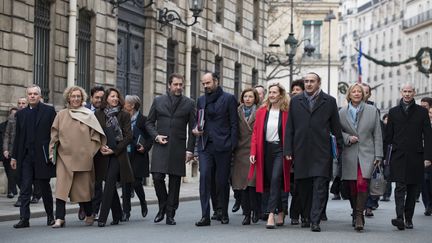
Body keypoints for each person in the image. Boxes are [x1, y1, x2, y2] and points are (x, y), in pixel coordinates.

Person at [284, 72, 343, 232]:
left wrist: (339, 147)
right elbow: (290, 127)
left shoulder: (329, 101)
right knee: (303, 185)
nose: (309, 84)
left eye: (312, 81)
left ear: (319, 83)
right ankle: (306, 215)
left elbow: (336, 127)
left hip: (322, 150)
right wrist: (288, 149)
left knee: (319, 186)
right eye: (306, 81)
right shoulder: (296, 101)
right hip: (301, 149)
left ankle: (315, 220)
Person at [49, 86, 106, 228]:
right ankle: (60, 218)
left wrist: (89, 153)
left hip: (83, 158)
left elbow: (96, 137)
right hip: (64, 156)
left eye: (78, 96)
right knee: (61, 188)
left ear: (82, 98)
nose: (75, 99)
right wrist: (52, 152)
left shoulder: (88, 114)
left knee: (83, 189)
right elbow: (54, 136)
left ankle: (88, 213)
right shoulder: (61, 115)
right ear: (68, 98)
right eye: (73, 96)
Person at [146, 73, 196, 225]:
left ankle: (170, 213)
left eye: (181, 84)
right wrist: (156, 136)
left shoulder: (189, 103)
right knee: (157, 177)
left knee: (175, 181)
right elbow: (149, 123)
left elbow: (193, 129)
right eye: (176, 84)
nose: (179, 87)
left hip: (178, 147)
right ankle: (163, 206)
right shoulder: (158, 101)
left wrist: (190, 150)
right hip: (161, 145)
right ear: (169, 85)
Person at [193, 72, 238, 226]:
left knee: (221, 181)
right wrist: (195, 129)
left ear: (216, 81)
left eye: (208, 83)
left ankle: (223, 212)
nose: (205, 86)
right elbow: (198, 121)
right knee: (204, 177)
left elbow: (234, 124)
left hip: (223, 146)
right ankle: (205, 216)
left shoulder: (229, 98)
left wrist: (232, 146)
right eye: (203, 83)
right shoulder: (201, 100)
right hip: (205, 145)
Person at [385, 83, 432, 230]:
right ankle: (399, 217)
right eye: (404, 91)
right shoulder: (393, 112)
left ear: (414, 92)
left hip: (416, 156)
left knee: (412, 188)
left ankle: (408, 218)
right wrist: (385, 156)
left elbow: (428, 136)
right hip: (398, 155)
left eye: (410, 91)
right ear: (401, 92)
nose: (407, 94)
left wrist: (428, 157)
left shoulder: (421, 112)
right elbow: (388, 137)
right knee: (399, 187)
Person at [11, 85, 57, 228]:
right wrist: (14, 157)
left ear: (39, 95)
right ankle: (24, 219)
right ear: (27, 96)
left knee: (45, 188)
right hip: (26, 157)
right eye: (30, 94)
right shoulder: (21, 114)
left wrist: (52, 153)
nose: (32, 96)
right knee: (25, 188)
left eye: (35, 94)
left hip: (42, 157)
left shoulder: (49, 111)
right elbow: (18, 137)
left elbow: (55, 135)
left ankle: (50, 217)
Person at [339, 83, 383, 231]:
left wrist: (379, 155)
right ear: (349, 94)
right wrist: (347, 138)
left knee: (362, 183)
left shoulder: (372, 111)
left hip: (367, 153)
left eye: (359, 91)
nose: (357, 93)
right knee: (352, 186)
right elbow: (337, 132)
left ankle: (359, 215)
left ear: (363, 94)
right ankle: (355, 211)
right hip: (349, 153)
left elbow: (377, 133)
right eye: (354, 91)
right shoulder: (342, 112)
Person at [249, 83, 291, 229]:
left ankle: (271, 214)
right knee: (270, 181)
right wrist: (253, 152)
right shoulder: (261, 111)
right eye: (270, 92)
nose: (272, 95)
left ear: (280, 94)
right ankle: (281, 210)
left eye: (275, 92)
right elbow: (255, 133)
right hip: (265, 150)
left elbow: (291, 133)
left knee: (275, 179)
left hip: (280, 149)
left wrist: (289, 151)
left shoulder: (286, 112)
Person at [94, 87, 134, 227]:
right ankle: (117, 214)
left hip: (118, 154)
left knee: (110, 182)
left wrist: (114, 150)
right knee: (109, 183)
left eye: (117, 96)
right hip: (103, 154)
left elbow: (129, 136)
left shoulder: (124, 115)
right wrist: (100, 146)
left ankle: (102, 217)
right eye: (112, 96)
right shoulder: (98, 114)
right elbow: (95, 133)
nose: (115, 99)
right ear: (106, 98)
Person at [120, 95, 152, 222]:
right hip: (125, 154)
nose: (123, 105)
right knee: (125, 183)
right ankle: (126, 212)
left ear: (132, 105)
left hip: (138, 154)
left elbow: (150, 137)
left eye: (126, 103)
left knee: (136, 182)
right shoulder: (122, 118)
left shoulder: (143, 120)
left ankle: (143, 202)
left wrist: (145, 147)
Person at [231, 88, 260, 225]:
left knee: (252, 184)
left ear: (255, 98)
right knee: (242, 185)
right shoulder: (236, 112)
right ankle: (246, 213)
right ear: (242, 98)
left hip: (255, 150)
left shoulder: (260, 111)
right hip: (240, 151)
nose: (248, 99)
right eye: (245, 96)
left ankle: (255, 210)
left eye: (251, 96)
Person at [77, 86, 105, 221]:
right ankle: (83, 206)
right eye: (97, 97)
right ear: (91, 97)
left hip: (99, 152)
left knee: (97, 183)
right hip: (83, 151)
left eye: (101, 98)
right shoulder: (83, 111)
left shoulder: (106, 112)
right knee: (82, 181)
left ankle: (94, 210)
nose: (99, 100)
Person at [288, 79, 304, 225]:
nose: (294, 92)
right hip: (289, 151)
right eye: (293, 90)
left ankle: (298, 213)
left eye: (297, 90)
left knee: (299, 184)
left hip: (302, 152)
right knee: (293, 184)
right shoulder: (287, 106)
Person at [1, 107, 18, 199]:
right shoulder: (3, 126)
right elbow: (5, 138)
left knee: (13, 172)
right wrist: (4, 150)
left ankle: (12, 190)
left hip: (15, 152)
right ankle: (12, 190)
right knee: (9, 172)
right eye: (12, 114)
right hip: (6, 152)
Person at [420, 97, 432, 216]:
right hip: (423, 156)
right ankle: (427, 204)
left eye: (426, 107)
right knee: (424, 181)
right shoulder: (420, 121)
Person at [381, 113, 392, 202]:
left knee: (387, 176)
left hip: (389, 156)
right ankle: (382, 193)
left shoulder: (392, 130)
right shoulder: (381, 129)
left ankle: (387, 194)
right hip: (381, 155)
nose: (387, 121)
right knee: (382, 176)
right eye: (386, 119)